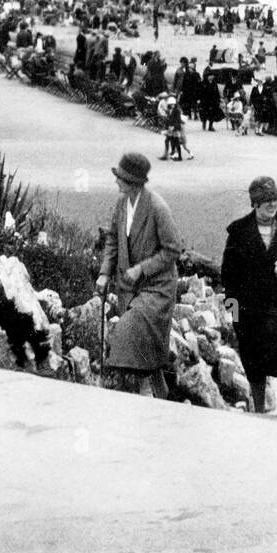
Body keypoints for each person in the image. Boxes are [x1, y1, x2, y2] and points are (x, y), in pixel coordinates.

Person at [95, 152, 182, 398]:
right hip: (129, 288)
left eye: (120, 178)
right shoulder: (122, 204)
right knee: (147, 349)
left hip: (157, 288)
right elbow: (113, 239)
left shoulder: (157, 207)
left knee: (127, 331)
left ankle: (140, 395)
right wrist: (104, 273)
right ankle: (158, 394)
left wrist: (142, 268)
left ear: (133, 181)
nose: (116, 182)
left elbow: (173, 249)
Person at [221, 177, 277, 419]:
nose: (272, 204)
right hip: (249, 308)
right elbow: (228, 275)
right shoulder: (238, 232)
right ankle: (259, 408)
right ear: (255, 204)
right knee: (252, 354)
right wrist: (234, 314)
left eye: (275, 199)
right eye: (266, 201)